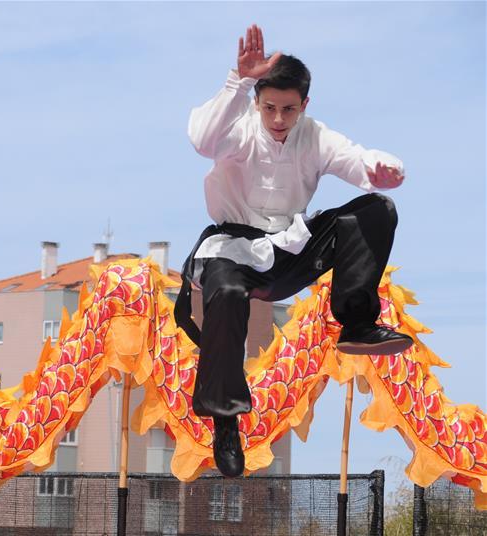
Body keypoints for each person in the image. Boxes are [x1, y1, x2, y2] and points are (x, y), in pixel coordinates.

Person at [173, 25, 411, 478]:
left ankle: (358, 322)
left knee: (376, 209)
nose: (278, 119)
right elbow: (202, 140)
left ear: (305, 105)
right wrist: (236, 81)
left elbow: (355, 159)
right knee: (224, 289)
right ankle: (226, 420)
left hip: (291, 249)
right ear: (257, 102)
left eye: (288, 109)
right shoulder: (238, 130)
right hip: (235, 249)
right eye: (269, 108)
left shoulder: (315, 136)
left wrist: (381, 169)